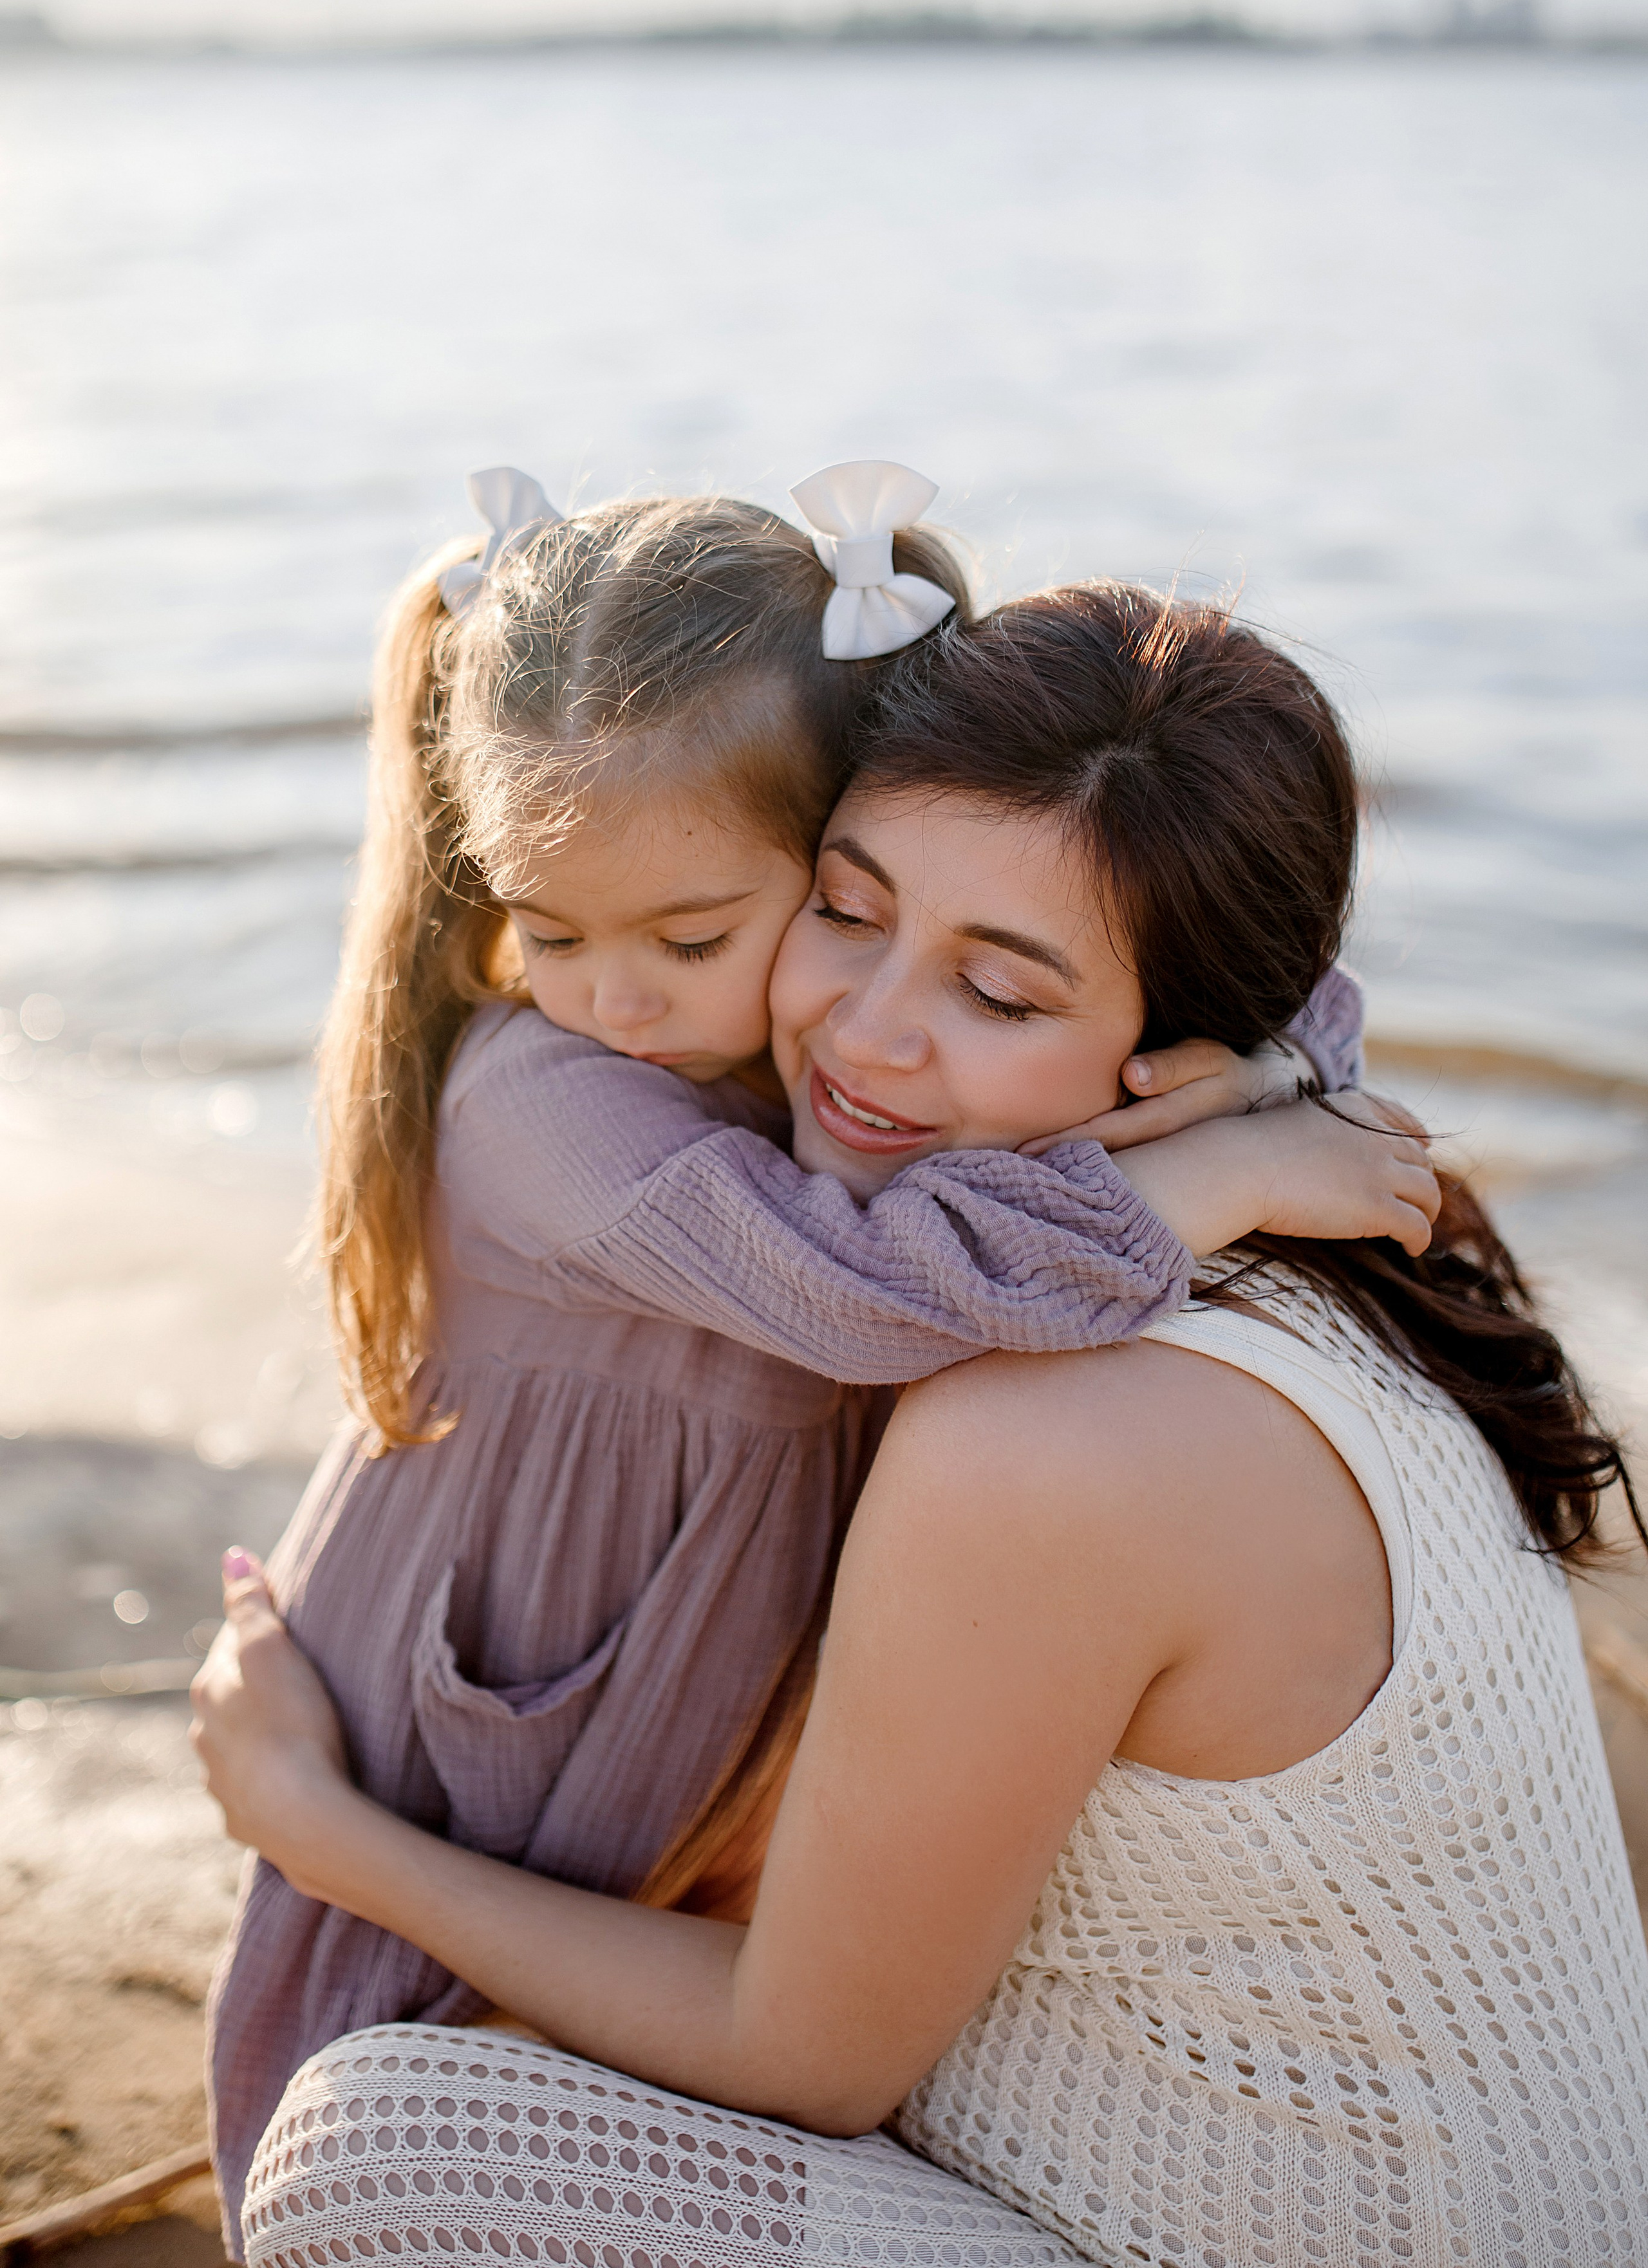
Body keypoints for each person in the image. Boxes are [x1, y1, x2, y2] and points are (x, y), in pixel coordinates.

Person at [194, 581, 1648, 2268]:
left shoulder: (1045, 1429)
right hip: (1362, 2176)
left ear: (1169, 1058)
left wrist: (318, 1826)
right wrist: (1254, 1104)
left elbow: (801, 2059)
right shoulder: (1306, 1246)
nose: (866, 1032)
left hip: (1247, 2231)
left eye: (1002, 998)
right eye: (843, 904)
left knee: (373, 2152)